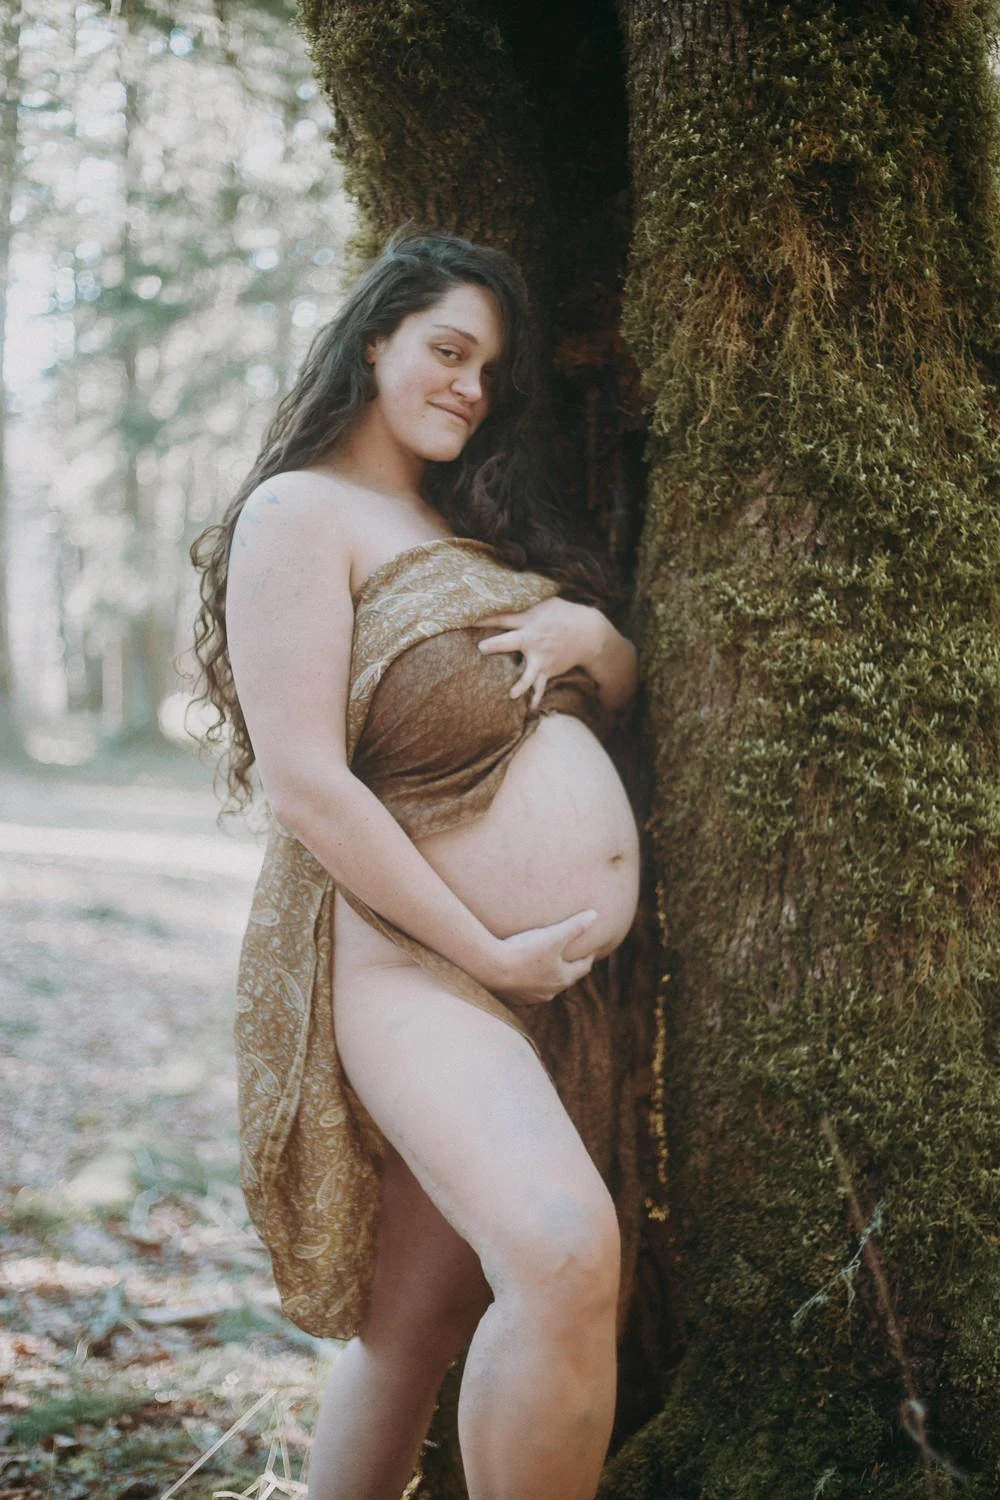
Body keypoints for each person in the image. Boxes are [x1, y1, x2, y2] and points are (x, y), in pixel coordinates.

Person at [189, 229, 642, 1500]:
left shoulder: (464, 522)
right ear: (373, 340)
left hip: (531, 987)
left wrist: (593, 636)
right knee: (561, 1252)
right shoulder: (299, 512)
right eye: (447, 350)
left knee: (413, 1334)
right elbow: (305, 784)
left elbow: (615, 687)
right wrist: (487, 948)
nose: (469, 388)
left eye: (490, 371)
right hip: (416, 967)